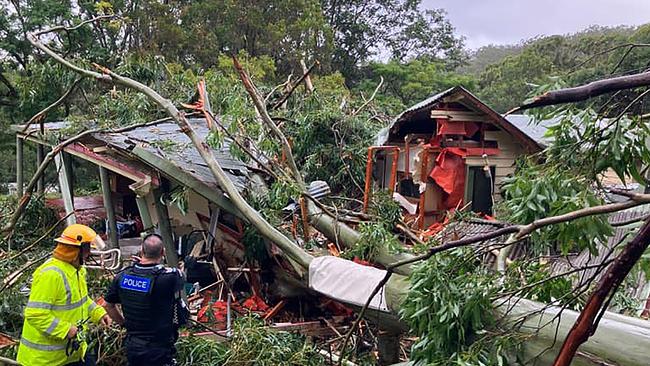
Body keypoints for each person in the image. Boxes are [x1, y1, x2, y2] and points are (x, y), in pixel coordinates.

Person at [17, 224, 112, 366]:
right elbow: (35, 314)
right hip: (45, 359)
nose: (89, 254)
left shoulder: (78, 271)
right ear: (75, 251)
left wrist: (98, 313)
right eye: (87, 249)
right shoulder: (51, 275)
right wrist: (65, 329)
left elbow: (81, 300)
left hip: (72, 353)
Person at [104, 233, 187, 366]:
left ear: (142, 251)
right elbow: (181, 275)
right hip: (159, 349)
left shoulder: (122, 276)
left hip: (133, 346)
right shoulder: (169, 278)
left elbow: (108, 305)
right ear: (163, 252)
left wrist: (124, 324)